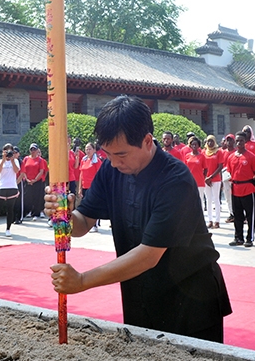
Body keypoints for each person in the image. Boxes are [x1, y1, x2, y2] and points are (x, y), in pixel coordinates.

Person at [44, 95, 231, 343]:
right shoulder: (111, 169)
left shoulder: (175, 179)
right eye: (108, 154)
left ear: (146, 141)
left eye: (121, 154)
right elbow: (83, 223)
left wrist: (82, 280)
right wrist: (64, 216)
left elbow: (149, 255)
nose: (113, 161)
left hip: (190, 300)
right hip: (139, 293)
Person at [225, 132, 255, 247]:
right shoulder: (231, 157)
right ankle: (238, 237)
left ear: (245, 142)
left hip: (248, 189)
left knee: (250, 215)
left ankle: (249, 238)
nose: (239, 143)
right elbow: (229, 172)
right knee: (237, 215)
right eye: (238, 141)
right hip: (235, 189)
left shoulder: (251, 156)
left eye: (241, 141)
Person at [78, 143, 102, 232]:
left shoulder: (97, 161)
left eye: (90, 149)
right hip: (85, 186)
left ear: (94, 150)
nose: (88, 151)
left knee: (94, 206)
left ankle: (95, 225)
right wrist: (80, 188)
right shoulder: (84, 160)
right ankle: (87, 224)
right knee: (86, 206)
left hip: (93, 187)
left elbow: (100, 175)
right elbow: (81, 174)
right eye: (86, 149)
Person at [21, 143, 48, 220]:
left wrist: (35, 179)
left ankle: (36, 213)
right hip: (27, 181)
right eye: (31, 149)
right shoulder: (26, 159)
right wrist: (27, 179)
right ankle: (28, 211)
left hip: (37, 181)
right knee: (28, 197)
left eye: (34, 149)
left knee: (37, 197)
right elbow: (23, 170)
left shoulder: (40, 160)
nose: (33, 151)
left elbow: (42, 171)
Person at [203, 135, 224, 229]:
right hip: (206, 180)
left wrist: (211, 177)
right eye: (208, 141)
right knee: (208, 200)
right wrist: (206, 178)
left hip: (215, 179)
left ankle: (217, 220)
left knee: (216, 200)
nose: (210, 143)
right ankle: (210, 220)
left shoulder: (218, 152)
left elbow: (220, 167)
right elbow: (202, 166)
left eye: (211, 141)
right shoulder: (203, 152)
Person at [183, 136, 208, 215]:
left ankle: (201, 218)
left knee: (199, 200)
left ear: (198, 146)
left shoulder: (202, 156)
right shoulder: (187, 156)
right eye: (192, 144)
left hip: (200, 182)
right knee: (190, 201)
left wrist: (203, 177)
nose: (194, 146)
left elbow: (206, 169)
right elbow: (185, 168)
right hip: (189, 182)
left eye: (196, 144)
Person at [220, 134, 235, 223]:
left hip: (234, 178)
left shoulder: (236, 152)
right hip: (225, 177)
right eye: (227, 140)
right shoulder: (222, 152)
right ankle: (231, 213)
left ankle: (238, 213)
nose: (229, 142)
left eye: (230, 140)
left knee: (235, 197)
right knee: (227, 197)